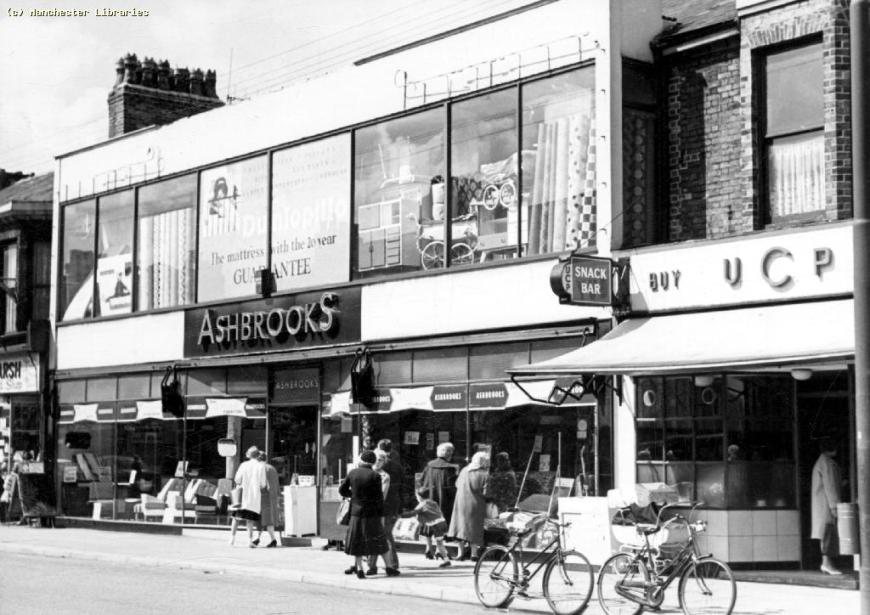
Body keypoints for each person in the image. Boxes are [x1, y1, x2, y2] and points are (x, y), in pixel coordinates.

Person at [339, 450, 387, 579]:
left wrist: (353, 496)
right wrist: (380, 514)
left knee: (356, 540)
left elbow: (342, 490)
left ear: (362, 460)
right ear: (373, 462)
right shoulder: (375, 476)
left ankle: (359, 568)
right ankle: (367, 566)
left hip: (356, 512)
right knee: (369, 540)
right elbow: (379, 498)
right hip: (371, 513)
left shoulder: (353, 472)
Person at [417, 442, 458, 559]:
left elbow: (421, 481)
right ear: (449, 454)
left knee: (428, 522)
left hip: (429, 499)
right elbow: (452, 488)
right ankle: (439, 550)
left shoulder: (429, 466)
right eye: (451, 452)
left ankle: (428, 548)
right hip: (443, 500)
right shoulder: (450, 468)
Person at [449, 451, 490, 561]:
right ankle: (474, 554)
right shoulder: (485, 474)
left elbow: (457, 484)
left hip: (460, 502)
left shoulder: (464, 470)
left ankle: (460, 553)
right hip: (476, 503)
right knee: (474, 527)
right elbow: (486, 492)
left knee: (460, 527)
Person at [366, 447, 400, 576]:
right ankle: (372, 566)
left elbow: (382, 495)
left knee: (384, 536)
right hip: (368, 510)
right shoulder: (365, 472)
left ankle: (391, 565)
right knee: (373, 537)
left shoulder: (384, 476)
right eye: (376, 459)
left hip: (381, 511)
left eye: (381, 460)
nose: (378, 462)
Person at [811, 438, 842, 575]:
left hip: (823, 503)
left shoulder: (822, 462)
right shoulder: (826, 463)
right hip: (826, 504)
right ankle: (826, 563)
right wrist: (834, 506)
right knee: (828, 533)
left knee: (826, 534)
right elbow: (830, 486)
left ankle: (827, 563)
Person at [229, 446, 267, 547]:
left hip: (242, 497)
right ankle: (249, 541)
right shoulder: (261, 466)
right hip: (254, 498)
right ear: (258, 455)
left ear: (249, 455)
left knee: (236, 518)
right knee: (250, 521)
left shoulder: (243, 465)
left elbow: (237, 479)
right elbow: (263, 484)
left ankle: (232, 539)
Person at [401, 494, 452, 567]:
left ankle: (447, 560)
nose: (416, 498)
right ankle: (446, 557)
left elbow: (412, 513)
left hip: (436, 525)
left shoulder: (422, 505)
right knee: (440, 542)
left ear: (420, 497)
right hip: (442, 522)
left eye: (417, 496)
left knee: (439, 543)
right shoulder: (433, 502)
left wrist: (400, 515)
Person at [252, 451, 279, 548]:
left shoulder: (260, 468)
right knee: (267, 518)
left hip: (263, 495)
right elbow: (276, 484)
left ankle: (272, 539)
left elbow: (261, 484)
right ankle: (258, 538)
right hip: (272, 496)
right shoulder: (272, 468)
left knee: (262, 518)